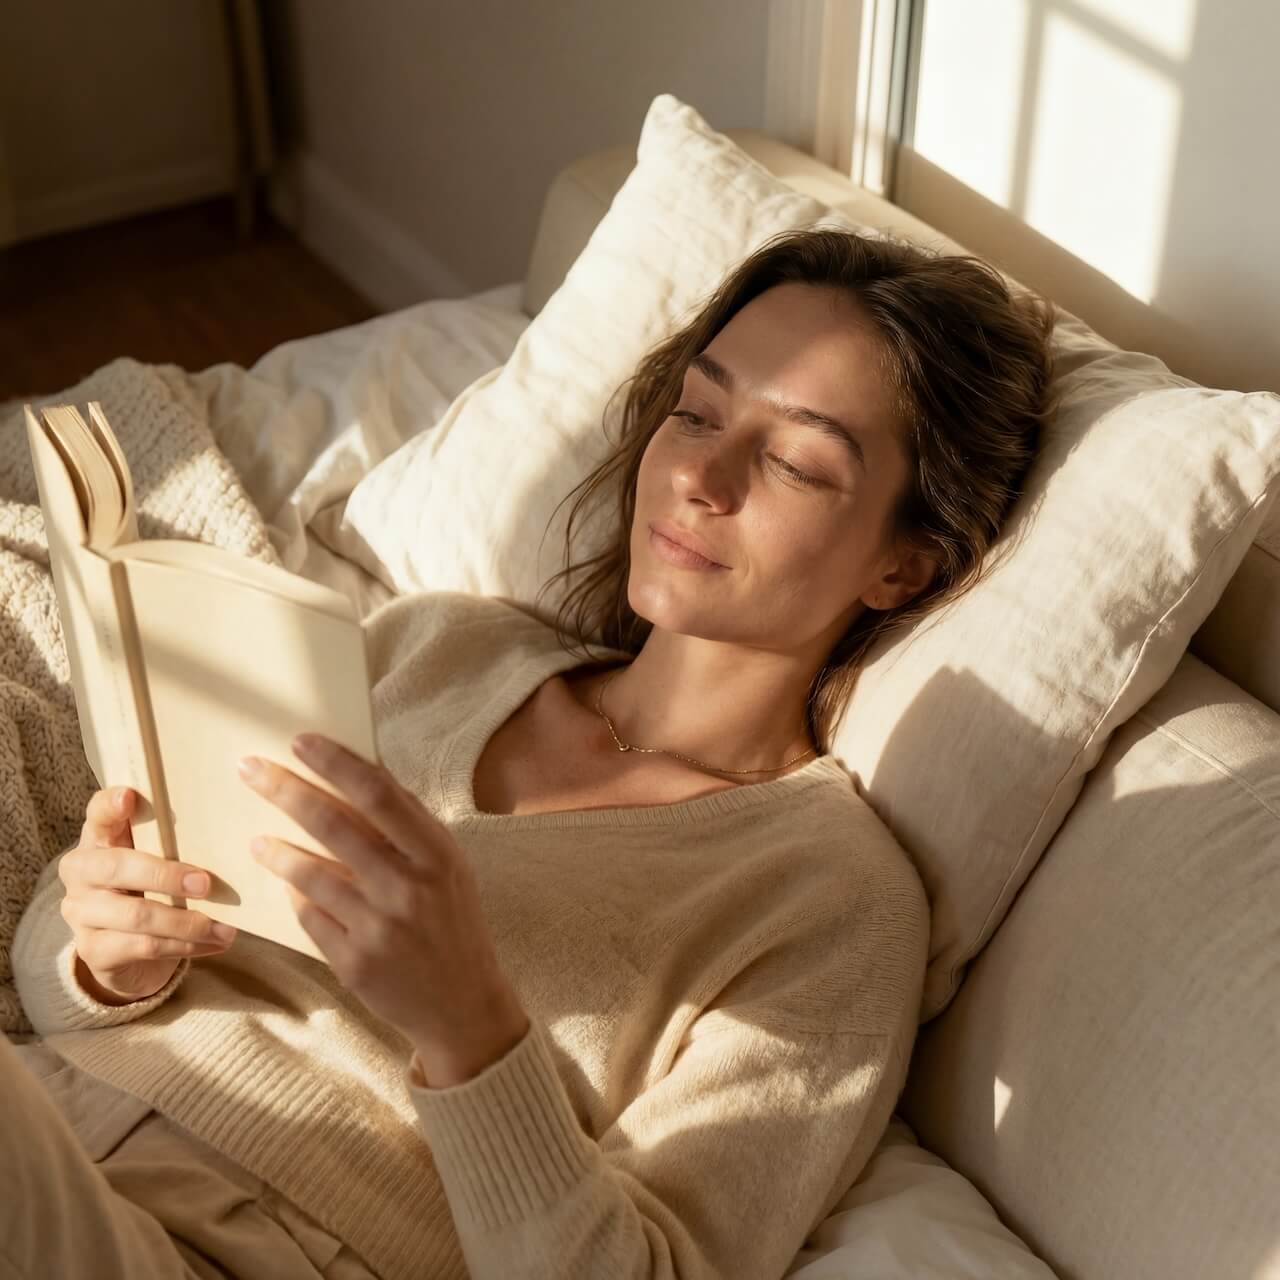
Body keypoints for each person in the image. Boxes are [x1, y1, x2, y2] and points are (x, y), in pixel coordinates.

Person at [5, 227, 1056, 1279]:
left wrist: (468, 1022)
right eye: (695, 410)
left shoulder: (828, 900)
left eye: (790, 459)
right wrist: (100, 954)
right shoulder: (435, 642)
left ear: (901, 566)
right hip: (58, 1101)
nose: (700, 471)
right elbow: (60, 975)